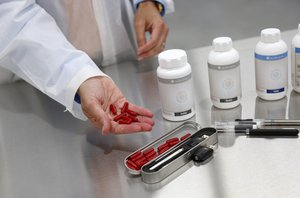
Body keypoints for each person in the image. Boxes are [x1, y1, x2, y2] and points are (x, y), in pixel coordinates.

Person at [0, 0, 174, 135]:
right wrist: (77, 75)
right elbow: (10, 14)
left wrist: (148, 2)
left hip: (125, 60)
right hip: (42, 83)